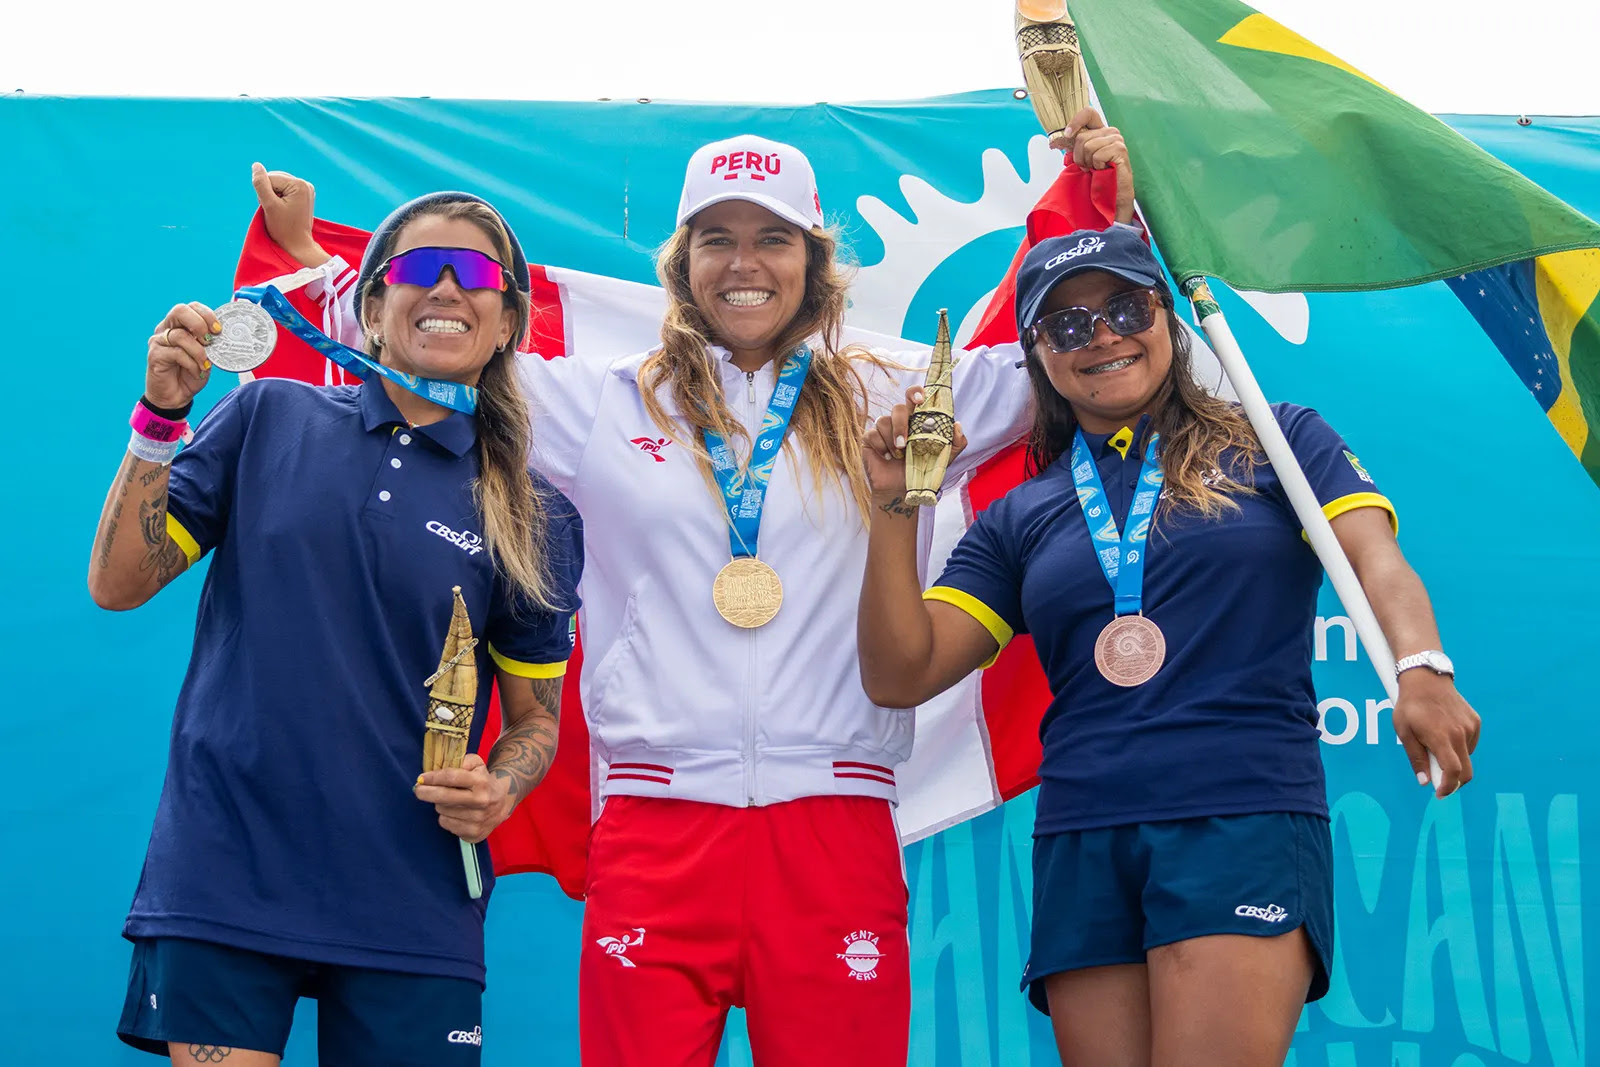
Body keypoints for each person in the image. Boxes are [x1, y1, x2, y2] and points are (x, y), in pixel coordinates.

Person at [252, 112, 1135, 1066]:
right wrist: (306, 258)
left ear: (811, 256)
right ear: (683, 260)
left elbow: (1065, 350)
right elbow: (429, 354)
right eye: (717, 238)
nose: (743, 262)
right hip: (654, 822)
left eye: (771, 238)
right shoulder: (600, 399)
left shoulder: (902, 389)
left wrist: (1099, 212)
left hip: (833, 823)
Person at [855, 226, 1482, 1066]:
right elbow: (902, 671)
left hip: (1239, 813)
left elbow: (1378, 561)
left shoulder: (1278, 439)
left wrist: (1421, 665)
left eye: (1125, 305)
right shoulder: (1022, 513)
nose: (1105, 334)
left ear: (1168, 317)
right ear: (1038, 355)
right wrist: (895, 507)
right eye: (1069, 326)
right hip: (1084, 828)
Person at [91, 191, 584, 1066]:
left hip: (413, 890)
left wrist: (501, 787)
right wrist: (160, 418)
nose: (444, 289)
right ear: (370, 305)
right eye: (415, 270)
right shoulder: (265, 416)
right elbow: (119, 584)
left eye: (471, 272)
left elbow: (536, 719)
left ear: (508, 320)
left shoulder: (538, 514)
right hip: (228, 863)